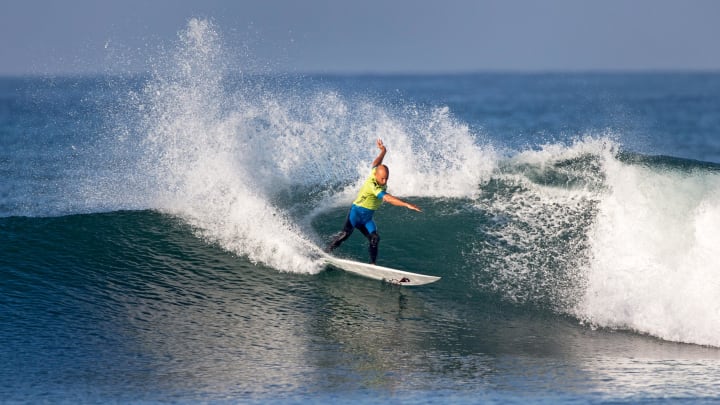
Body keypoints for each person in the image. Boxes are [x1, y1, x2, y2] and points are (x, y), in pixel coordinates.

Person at [326, 138, 421, 264]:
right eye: (382, 179)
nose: (385, 182)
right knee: (344, 235)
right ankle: (326, 253)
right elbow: (387, 198)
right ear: (376, 176)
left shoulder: (375, 172)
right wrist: (406, 204)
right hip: (356, 214)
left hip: (367, 219)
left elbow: (376, 163)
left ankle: (372, 264)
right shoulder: (373, 185)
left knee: (375, 238)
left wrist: (383, 151)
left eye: (386, 179)